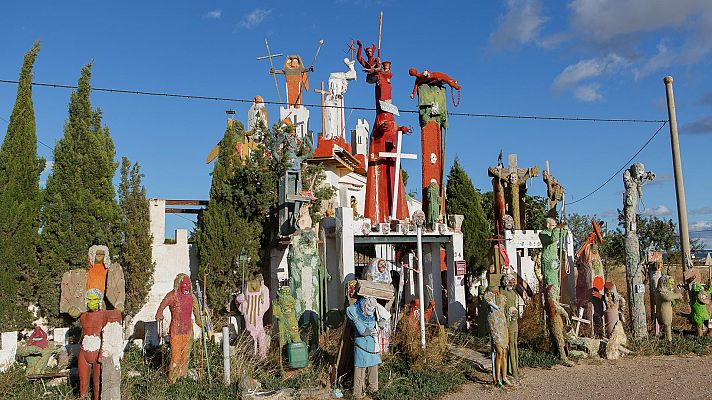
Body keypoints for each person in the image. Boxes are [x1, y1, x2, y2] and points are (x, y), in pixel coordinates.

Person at [155, 274, 202, 383]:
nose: (186, 289)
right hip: (176, 332)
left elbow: (196, 312)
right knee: (175, 357)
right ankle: (172, 380)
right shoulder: (173, 295)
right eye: (184, 286)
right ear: (178, 285)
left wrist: (201, 323)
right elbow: (163, 304)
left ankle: (182, 378)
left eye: (188, 286)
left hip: (188, 331)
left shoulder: (192, 297)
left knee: (185, 356)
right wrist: (159, 313)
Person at [346, 297, 385, 399]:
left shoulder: (376, 309)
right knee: (360, 368)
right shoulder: (353, 310)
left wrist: (380, 324)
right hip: (361, 344)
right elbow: (361, 330)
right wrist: (368, 331)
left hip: (372, 344)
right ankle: (357, 394)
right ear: (363, 306)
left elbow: (383, 318)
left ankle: (373, 390)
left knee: (373, 367)